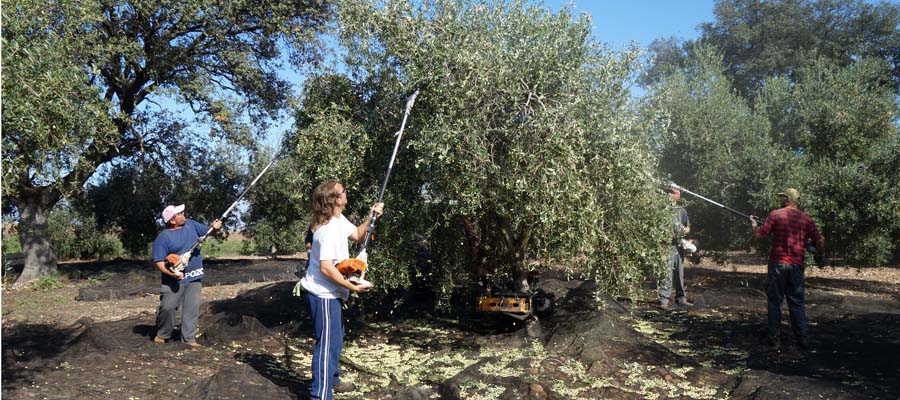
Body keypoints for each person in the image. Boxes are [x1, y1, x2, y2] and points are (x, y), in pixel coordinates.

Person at [297, 181, 384, 400]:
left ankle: (332, 379)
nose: (347, 193)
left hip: (332, 292)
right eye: (343, 191)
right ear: (336, 199)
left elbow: (357, 234)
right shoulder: (326, 231)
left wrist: (371, 216)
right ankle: (320, 395)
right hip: (322, 294)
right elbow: (326, 268)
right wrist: (352, 286)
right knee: (327, 344)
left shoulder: (337, 220)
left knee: (337, 337)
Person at [751, 188, 824, 349]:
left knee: (774, 302)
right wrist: (820, 254)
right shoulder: (806, 219)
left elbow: (759, 235)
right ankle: (802, 339)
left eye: (783, 197)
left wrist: (754, 225)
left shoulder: (775, 215)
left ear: (788, 199)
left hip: (778, 264)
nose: (781, 199)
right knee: (797, 303)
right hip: (796, 266)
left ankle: (774, 338)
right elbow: (819, 240)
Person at [151, 204, 221, 347]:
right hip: (173, 281)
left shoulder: (191, 225)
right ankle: (163, 334)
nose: (184, 214)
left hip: (194, 277)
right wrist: (172, 272)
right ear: (172, 220)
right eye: (180, 213)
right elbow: (159, 262)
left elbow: (209, 232)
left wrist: (215, 228)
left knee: (191, 309)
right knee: (168, 307)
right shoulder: (163, 238)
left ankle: (189, 340)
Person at [659, 188, 692, 308]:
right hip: (666, 245)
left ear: (678, 195)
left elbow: (688, 227)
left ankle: (681, 298)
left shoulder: (681, 211)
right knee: (666, 272)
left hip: (678, 246)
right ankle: (664, 300)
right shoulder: (662, 210)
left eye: (672, 192)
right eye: (668, 192)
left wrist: (683, 231)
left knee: (679, 273)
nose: (669, 194)